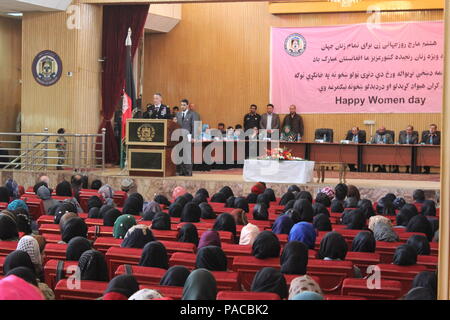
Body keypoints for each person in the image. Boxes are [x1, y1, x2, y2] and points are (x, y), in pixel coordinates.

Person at [175, 98, 195, 176]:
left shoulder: (192, 114)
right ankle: (180, 171)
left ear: (187, 105)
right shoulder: (178, 114)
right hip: (179, 137)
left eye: (184, 105)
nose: (182, 106)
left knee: (187, 154)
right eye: (181, 105)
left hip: (188, 137)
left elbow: (194, 126)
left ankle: (188, 172)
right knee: (179, 154)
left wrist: (193, 137)